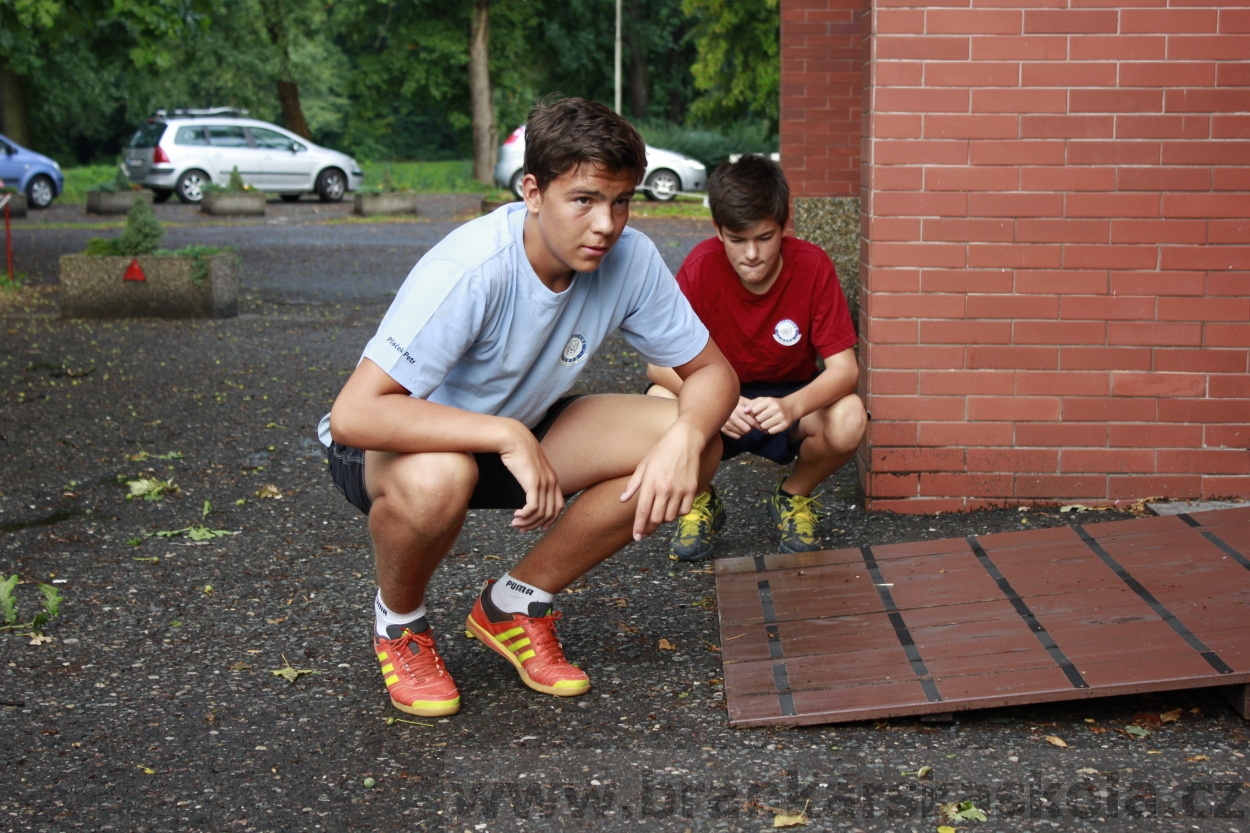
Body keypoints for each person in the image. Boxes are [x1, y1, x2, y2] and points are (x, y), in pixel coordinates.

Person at [319, 98, 737, 717]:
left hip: (522, 430)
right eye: (585, 200)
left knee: (698, 440)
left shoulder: (631, 259)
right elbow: (355, 413)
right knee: (443, 475)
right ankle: (401, 624)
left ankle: (513, 605)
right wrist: (506, 434)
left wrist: (683, 439)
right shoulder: (473, 268)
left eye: (621, 201)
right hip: (399, 445)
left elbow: (714, 374)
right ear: (533, 191)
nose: (607, 224)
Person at [646, 154, 866, 561]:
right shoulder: (699, 266)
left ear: (784, 227)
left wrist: (792, 406)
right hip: (717, 393)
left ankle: (792, 497)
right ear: (718, 231)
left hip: (786, 398)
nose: (751, 253)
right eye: (737, 239)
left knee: (849, 415)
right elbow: (658, 364)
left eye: (764, 238)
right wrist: (715, 401)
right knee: (656, 401)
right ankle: (698, 501)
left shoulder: (813, 266)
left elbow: (845, 370)